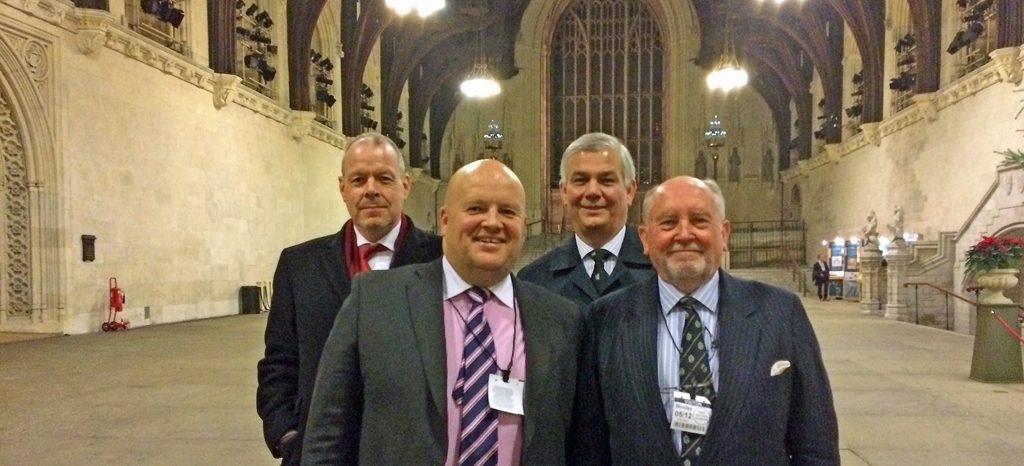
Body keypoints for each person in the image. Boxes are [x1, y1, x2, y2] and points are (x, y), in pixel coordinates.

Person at [302, 160, 582, 465]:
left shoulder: (561, 320)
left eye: (507, 211)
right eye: (475, 209)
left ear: (523, 224)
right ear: (445, 220)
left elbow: (578, 442)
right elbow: (327, 437)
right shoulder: (374, 301)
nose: (492, 222)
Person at [571, 176, 838, 465]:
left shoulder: (780, 313)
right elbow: (589, 447)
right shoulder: (605, 319)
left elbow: (815, 445)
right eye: (668, 223)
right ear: (645, 239)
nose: (684, 234)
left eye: (699, 221)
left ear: (724, 234)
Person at [256, 133, 442, 466]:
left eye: (384, 178)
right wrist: (286, 435)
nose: (371, 189)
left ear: (406, 185)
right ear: (343, 188)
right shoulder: (300, 265)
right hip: (318, 452)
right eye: (358, 180)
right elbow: (279, 363)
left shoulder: (442, 261)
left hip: (414, 452)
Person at [519, 132, 654, 305]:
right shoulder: (534, 280)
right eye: (580, 180)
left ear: (629, 191)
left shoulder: (661, 269)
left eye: (606, 180)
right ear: (564, 192)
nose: (592, 192)